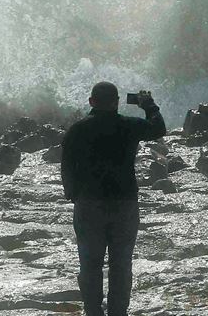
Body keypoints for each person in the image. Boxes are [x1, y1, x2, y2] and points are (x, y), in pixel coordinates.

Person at [61, 81, 167, 316]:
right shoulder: (129, 126)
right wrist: (148, 105)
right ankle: (118, 312)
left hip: (89, 203)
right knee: (120, 265)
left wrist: (73, 194)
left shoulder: (77, 130)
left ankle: (93, 311)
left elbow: (67, 165)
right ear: (117, 102)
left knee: (90, 265)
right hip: (124, 203)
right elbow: (158, 128)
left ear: (91, 102)